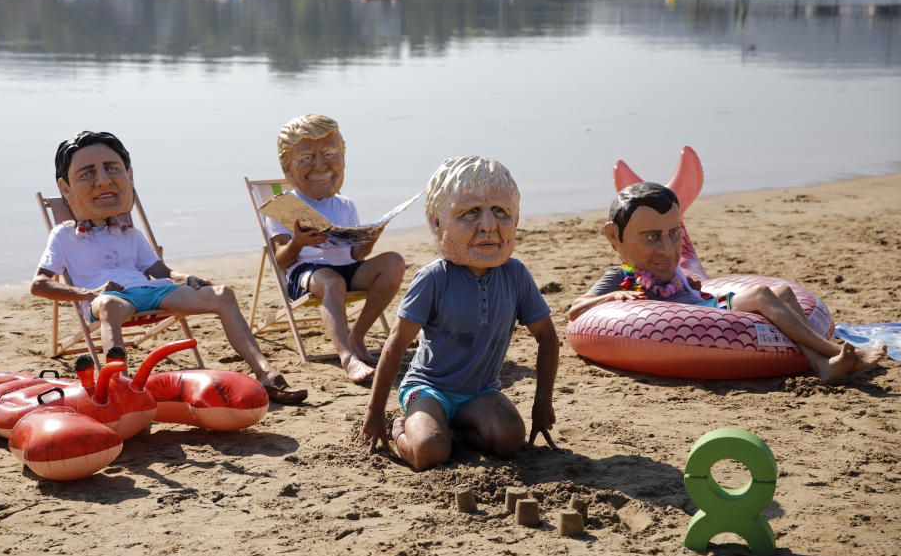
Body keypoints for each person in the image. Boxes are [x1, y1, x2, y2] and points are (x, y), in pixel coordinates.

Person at [31, 130, 308, 405]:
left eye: (112, 169)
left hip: (151, 291)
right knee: (110, 305)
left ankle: (266, 374)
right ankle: (123, 389)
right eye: (87, 174)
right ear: (65, 189)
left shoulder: (129, 233)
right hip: (107, 300)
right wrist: (90, 293)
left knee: (222, 293)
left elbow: (160, 272)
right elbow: (39, 285)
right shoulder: (64, 235)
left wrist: (186, 278)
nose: (102, 181)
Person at [568, 181, 888, 384]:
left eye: (674, 233)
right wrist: (611, 299)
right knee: (763, 294)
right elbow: (575, 310)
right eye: (652, 237)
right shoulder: (621, 275)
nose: (667, 249)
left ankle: (823, 365)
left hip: (710, 308)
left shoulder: (674, 272)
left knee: (781, 291)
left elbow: (694, 289)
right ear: (614, 237)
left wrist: (694, 288)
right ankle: (837, 352)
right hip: (683, 321)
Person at [361, 156, 559, 471]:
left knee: (510, 440)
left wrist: (542, 403)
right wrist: (374, 413)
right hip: (429, 388)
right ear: (437, 223)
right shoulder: (433, 279)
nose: (488, 225)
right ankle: (404, 427)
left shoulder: (516, 275)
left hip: (480, 392)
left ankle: (452, 430)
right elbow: (396, 343)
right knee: (428, 452)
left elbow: (547, 337)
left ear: (516, 218)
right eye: (470, 213)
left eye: (501, 211)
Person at [267, 114, 405, 383]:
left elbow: (356, 256)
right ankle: (346, 356)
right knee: (333, 281)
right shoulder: (282, 206)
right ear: (287, 169)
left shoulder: (345, 204)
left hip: (347, 267)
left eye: (330, 154)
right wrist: (297, 242)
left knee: (394, 262)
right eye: (306, 158)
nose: (320, 165)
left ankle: (357, 336)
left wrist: (372, 237)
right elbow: (282, 261)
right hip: (306, 273)